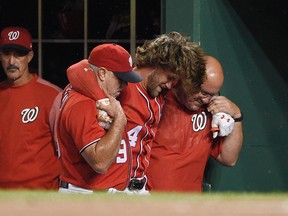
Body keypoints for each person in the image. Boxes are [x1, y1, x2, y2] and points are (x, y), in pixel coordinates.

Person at [115, 32, 207, 194]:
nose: (171, 86)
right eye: (170, 77)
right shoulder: (120, 87)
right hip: (111, 187)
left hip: (138, 188)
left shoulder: (160, 95)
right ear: (158, 62)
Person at [146, 56, 243, 193]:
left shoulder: (211, 109)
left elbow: (229, 158)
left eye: (211, 95)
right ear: (187, 80)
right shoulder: (158, 99)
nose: (205, 99)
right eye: (203, 92)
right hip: (151, 200)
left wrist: (237, 116)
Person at [57, 43, 142, 193]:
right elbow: (100, 163)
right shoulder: (81, 103)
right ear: (102, 73)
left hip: (102, 194)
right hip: (84, 195)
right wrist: (120, 119)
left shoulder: (101, 96)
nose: (125, 84)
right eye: (120, 78)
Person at [0, 26, 62, 189]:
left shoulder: (52, 95)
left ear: (30, 56)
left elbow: (68, 150)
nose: (12, 61)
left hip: (40, 198)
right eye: (7, 54)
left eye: (19, 54)